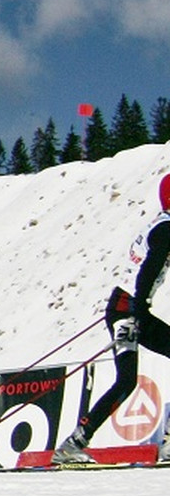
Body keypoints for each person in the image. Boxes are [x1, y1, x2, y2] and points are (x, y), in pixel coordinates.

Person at [53, 174, 170, 464]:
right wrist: (141, 306)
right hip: (129, 309)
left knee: (127, 381)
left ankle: (74, 443)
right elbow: (150, 268)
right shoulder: (167, 229)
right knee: (126, 380)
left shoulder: (159, 224)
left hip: (125, 307)